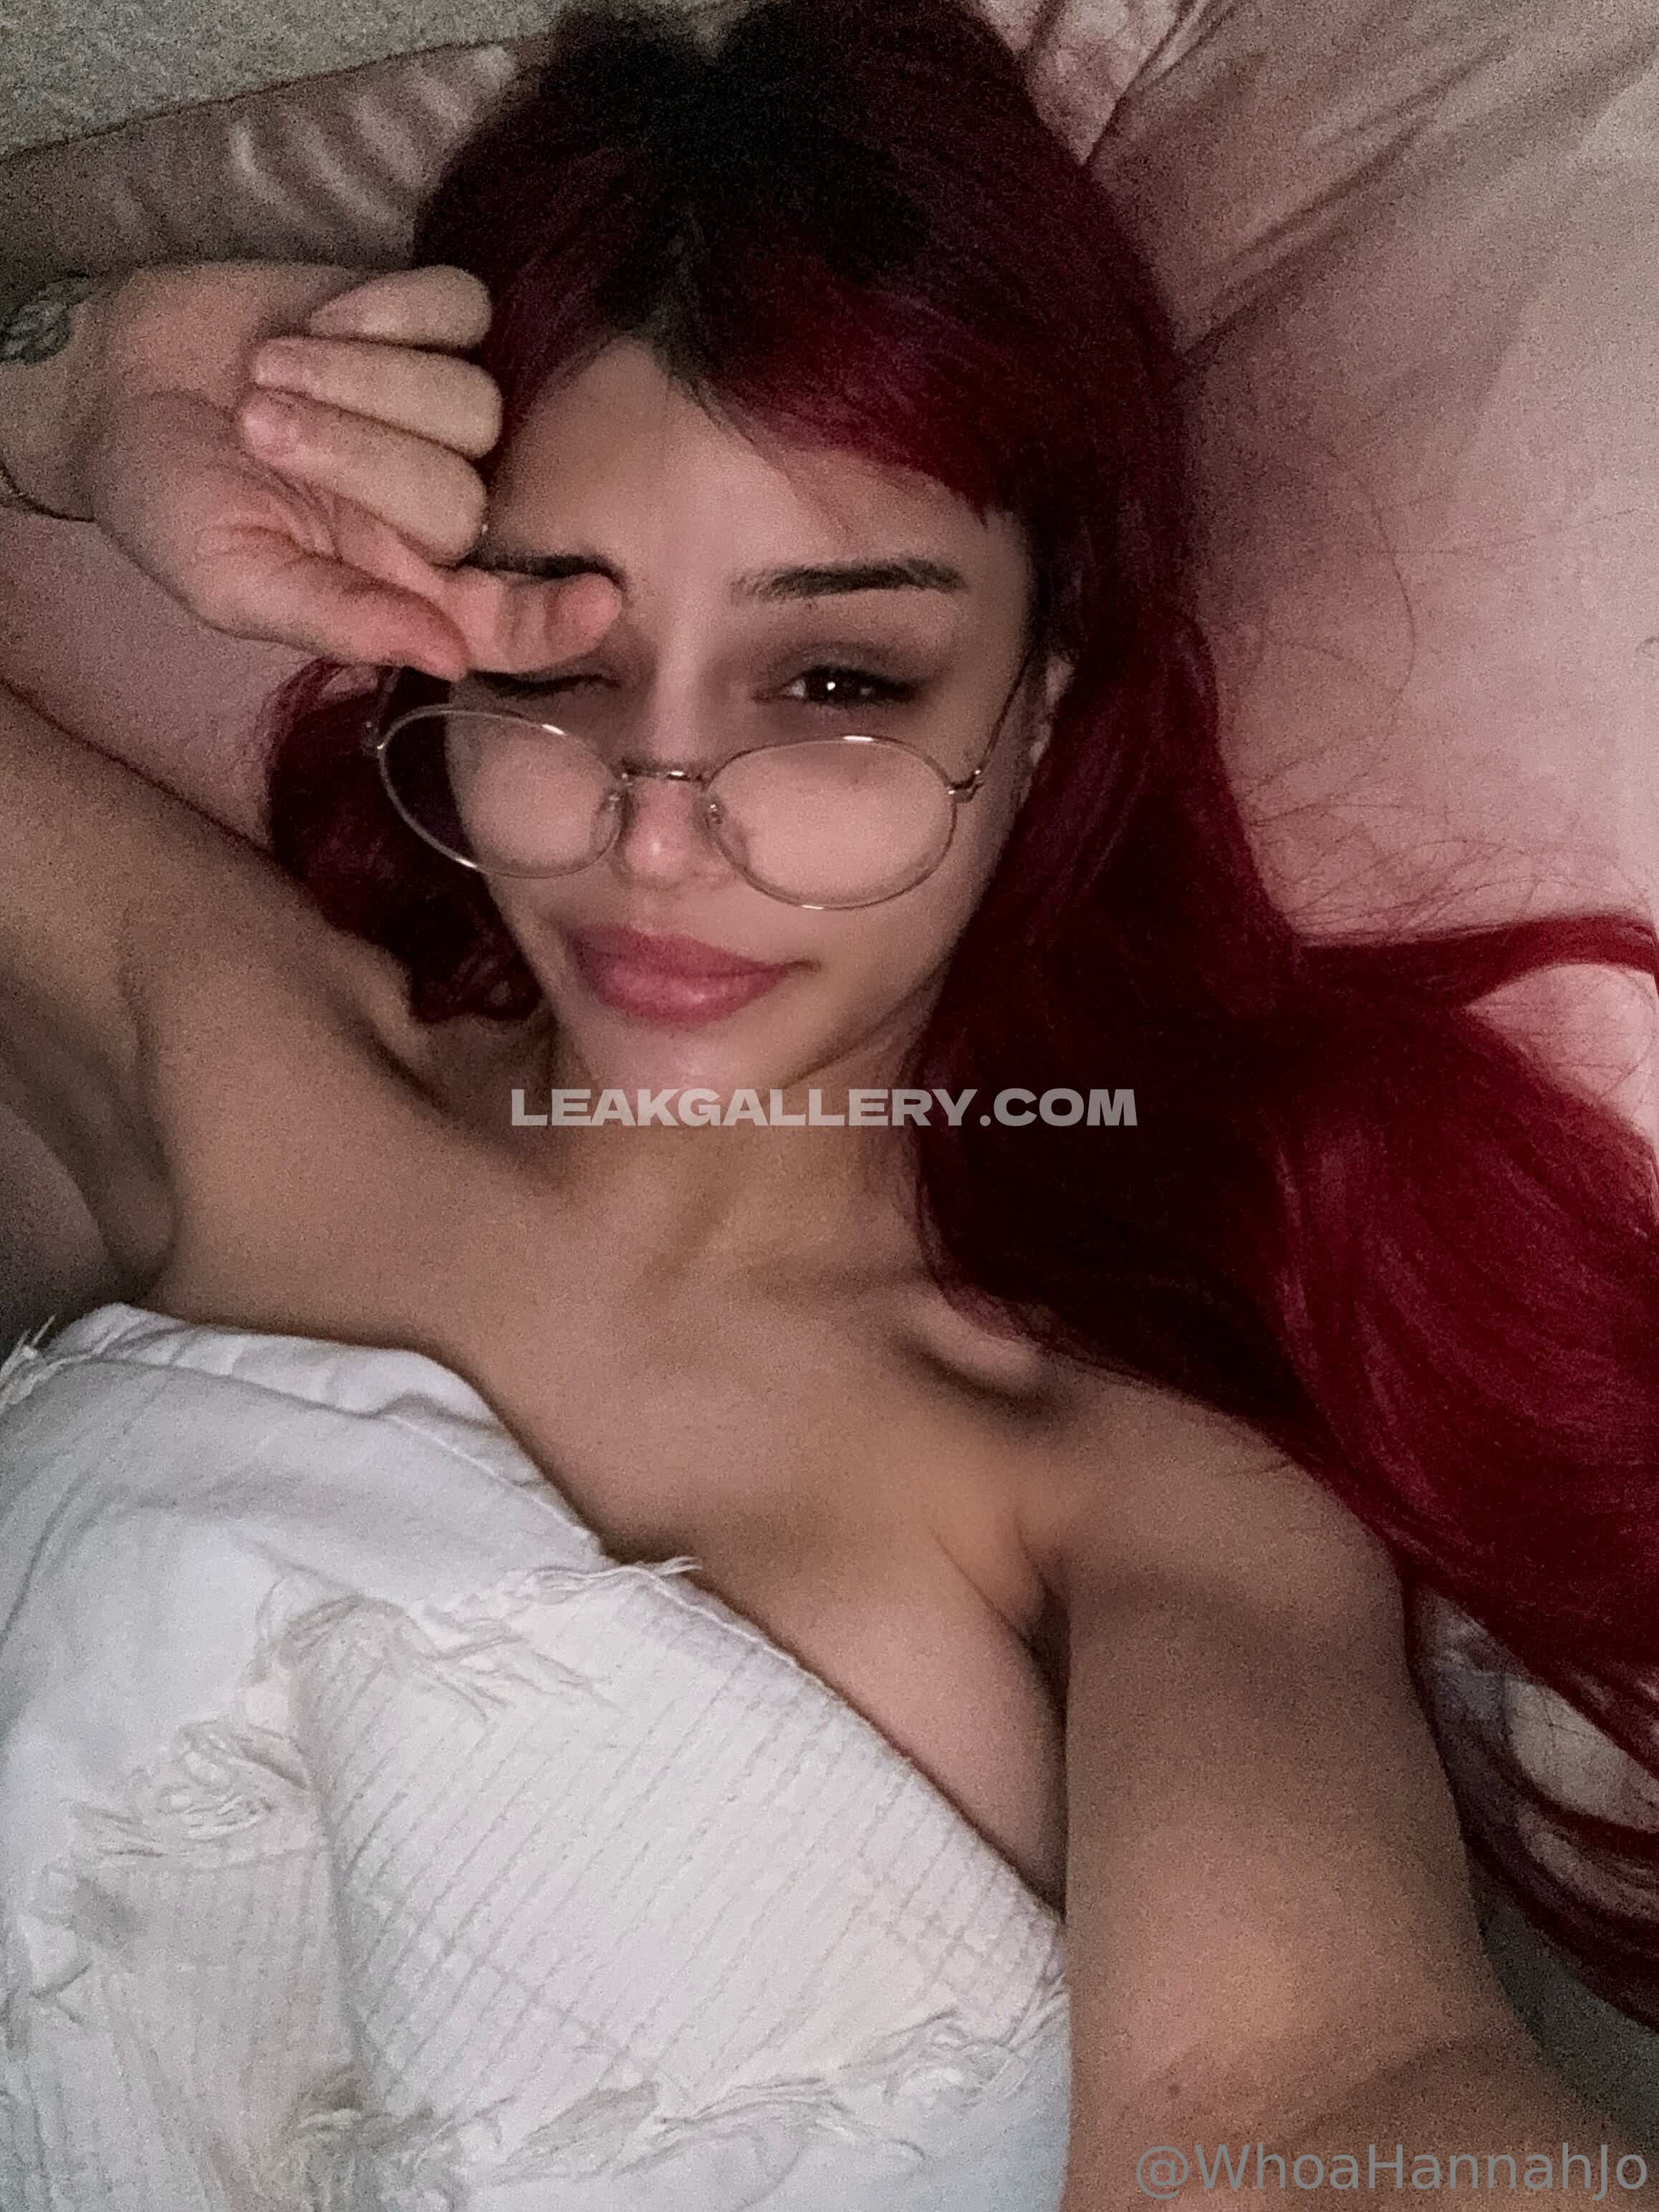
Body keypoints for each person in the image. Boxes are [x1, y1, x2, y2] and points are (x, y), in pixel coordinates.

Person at [2, 0, 1659, 2203]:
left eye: (833, 680)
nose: (658, 826)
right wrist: (60, 392)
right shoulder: (232, 1053)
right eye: (553, 662)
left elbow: (1327, 2094)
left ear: (1041, 705)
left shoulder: (1130, 1481)